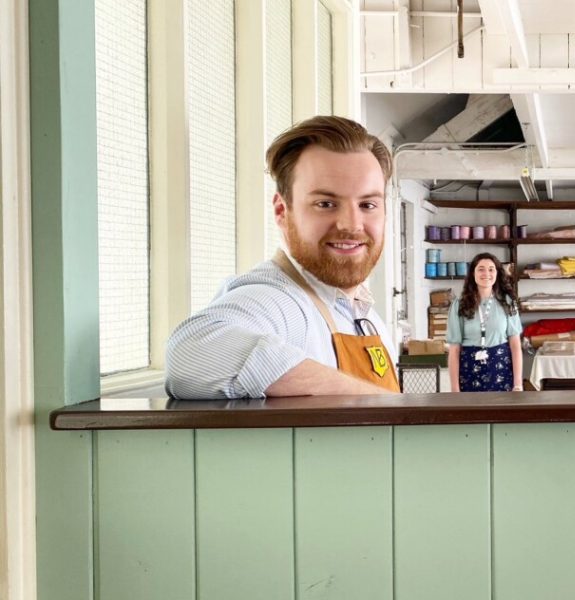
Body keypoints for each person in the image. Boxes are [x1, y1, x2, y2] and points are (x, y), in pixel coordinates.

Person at [166, 116, 400, 399]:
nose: (351, 224)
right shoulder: (281, 301)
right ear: (281, 211)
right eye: (325, 204)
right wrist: (376, 402)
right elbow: (190, 354)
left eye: (368, 204)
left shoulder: (366, 316)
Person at [445, 253, 524, 392]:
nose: (486, 273)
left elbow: (515, 345)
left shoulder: (507, 302)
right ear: (473, 273)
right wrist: (454, 389)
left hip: (501, 369)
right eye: (481, 269)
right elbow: (454, 350)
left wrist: (518, 384)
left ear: (497, 273)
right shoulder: (459, 305)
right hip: (469, 371)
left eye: (491, 269)